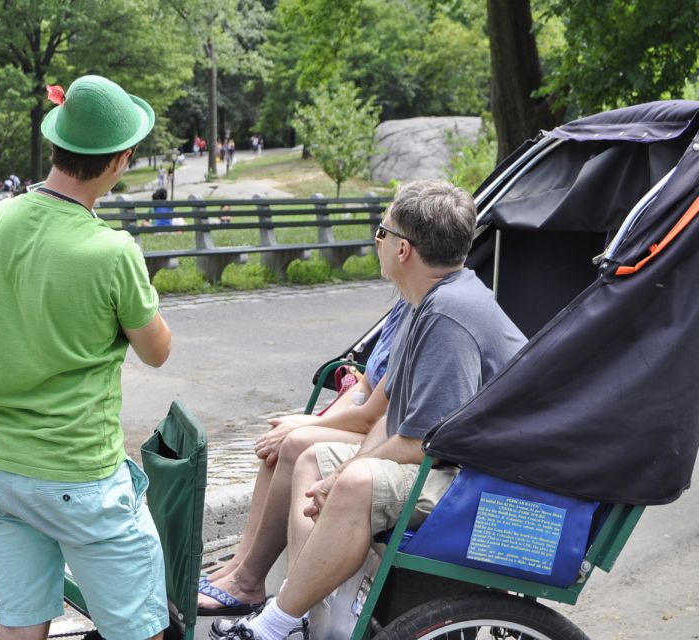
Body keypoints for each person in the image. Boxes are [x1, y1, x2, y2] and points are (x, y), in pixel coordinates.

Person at [216, 180, 527, 640]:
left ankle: (273, 625)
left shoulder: (447, 316)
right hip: (459, 465)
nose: (376, 241)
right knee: (313, 459)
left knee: (356, 482)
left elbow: (424, 443)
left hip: (484, 483)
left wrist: (346, 478)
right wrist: (337, 472)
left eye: (382, 232)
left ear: (403, 249)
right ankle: (309, 616)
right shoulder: (433, 301)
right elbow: (392, 417)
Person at [0, 74, 171, 640]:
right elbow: (157, 352)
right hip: (80, 477)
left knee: (22, 625)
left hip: (2, 470)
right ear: (120, 160)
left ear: (58, 142)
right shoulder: (112, 249)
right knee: (139, 629)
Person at [198, 298, 409, 615]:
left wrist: (311, 423)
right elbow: (366, 384)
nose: (377, 247)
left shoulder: (423, 310)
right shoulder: (404, 305)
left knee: (296, 443)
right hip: (375, 423)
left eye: (380, 243)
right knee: (281, 442)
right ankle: (241, 567)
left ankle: (252, 583)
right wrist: (312, 421)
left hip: (388, 431)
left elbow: (373, 416)